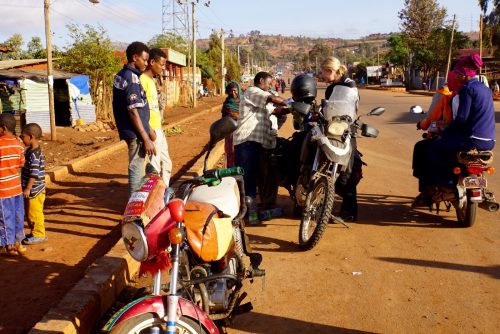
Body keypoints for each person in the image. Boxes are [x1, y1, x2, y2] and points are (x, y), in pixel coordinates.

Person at [427, 53, 496, 201]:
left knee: (436, 149)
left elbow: (462, 118)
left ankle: (447, 186)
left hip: (473, 140)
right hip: (489, 141)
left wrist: (447, 131)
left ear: (464, 75)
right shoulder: (485, 89)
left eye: (457, 74)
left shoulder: (467, 89)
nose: (455, 77)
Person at [233, 71, 290, 224]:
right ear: (260, 80)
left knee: (253, 178)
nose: (270, 86)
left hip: (256, 143)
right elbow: (273, 99)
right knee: (247, 179)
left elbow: (276, 110)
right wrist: (291, 102)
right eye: (268, 83)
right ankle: (245, 214)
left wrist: (292, 109)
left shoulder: (260, 99)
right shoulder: (253, 92)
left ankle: (249, 212)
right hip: (246, 141)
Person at [412, 68, 464, 206]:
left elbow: (431, 118)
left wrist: (423, 124)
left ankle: (428, 190)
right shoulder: (478, 90)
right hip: (475, 139)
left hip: (450, 137)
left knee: (423, 149)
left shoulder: (444, 94)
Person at [113, 41, 155, 195]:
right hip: (135, 132)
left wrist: (149, 129)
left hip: (136, 131)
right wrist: (145, 137)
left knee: (145, 166)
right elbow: (132, 111)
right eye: (144, 60)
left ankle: (144, 200)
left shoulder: (123, 74)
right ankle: (134, 210)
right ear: (135, 57)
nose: (146, 63)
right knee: (136, 169)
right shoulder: (131, 79)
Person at [322, 56, 360, 221]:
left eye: (323, 72)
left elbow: (352, 108)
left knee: (348, 168)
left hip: (344, 129)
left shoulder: (350, 85)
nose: (322, 75)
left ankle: (349, 210)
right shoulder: (331, 87)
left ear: (331, 71)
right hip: (330, 128)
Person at [140, 48, 172, 187]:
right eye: (162, 64)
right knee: (154, 167)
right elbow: (139, 109)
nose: (163, 68)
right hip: (152, 130)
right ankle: (155, 199)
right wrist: (148, 130)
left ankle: (163, 192)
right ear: (152, 62)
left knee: (166, 163)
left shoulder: (151, 81)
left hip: (158, 129)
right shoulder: (142, 80)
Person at [0, 113, 27, 256]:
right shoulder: (19, 145)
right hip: (16, 188)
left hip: (3, 190)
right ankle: (19, 242)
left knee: (5, 218)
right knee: (18, 215)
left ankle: (8, 246)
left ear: (3, 129)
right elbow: (21, 163)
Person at [19, 123, 47, 245]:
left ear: (31, 137)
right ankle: (35, 232)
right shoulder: (30, 151)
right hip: (32, 190)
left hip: (35, 190)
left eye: (22, 136)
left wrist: (28, 188)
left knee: (35, 212)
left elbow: (34, 174)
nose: (21, 139)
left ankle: (39, 234)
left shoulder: (34, 155)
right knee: (30, 212)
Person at [221, 81, 241, 168]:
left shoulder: (243, 102)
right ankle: (231, 170)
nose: (233, 93)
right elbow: (223, 118)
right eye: (231, 91)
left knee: (240, 151)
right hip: (230, 132)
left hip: (241, 131)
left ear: (238, 90)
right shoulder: (226, 103)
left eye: (235, 90)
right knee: (230, 151)